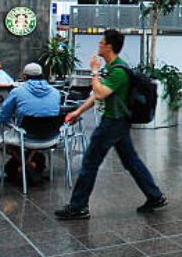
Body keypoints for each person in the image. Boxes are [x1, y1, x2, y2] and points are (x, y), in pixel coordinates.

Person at [55, 29, 166, 220]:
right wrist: (77, 111)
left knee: (90, 162)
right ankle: (154, 196)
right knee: (131, 161)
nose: (98, 45)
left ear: (109, 47)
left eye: (101, 42)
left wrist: (94, 71)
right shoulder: (115, 68)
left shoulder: (118, 72)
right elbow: (98, 95)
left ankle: (78, 206)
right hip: (118, 123)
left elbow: (99, 93)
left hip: (112, 123)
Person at [0, 63, 61, 184]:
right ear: (42, 76)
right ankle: (30, 163)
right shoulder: (56, 92)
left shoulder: (17, 92)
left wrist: (12, 123)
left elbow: (3, 117)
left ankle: (23, 164)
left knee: (4, 141)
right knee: (37, 131)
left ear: (25, 77)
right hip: (50, 138)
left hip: (26, 137)